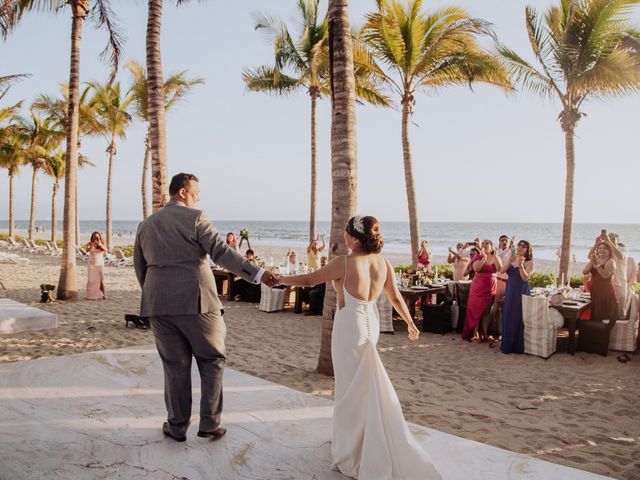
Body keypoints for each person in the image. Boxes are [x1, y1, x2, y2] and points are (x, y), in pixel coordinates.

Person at [279, 216, 441, 480]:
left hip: (350, 326)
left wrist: (280, 279)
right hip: (371, 323)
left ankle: (351, 450)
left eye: (346, 232)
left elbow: (309, 281)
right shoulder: (383, 262)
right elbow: (396, 297)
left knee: (348, 388)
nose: (344, 235)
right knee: (363, 386)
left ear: (354, 238)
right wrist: (411, 322)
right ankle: (362, 440)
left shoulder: (344, 262)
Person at [134, 173, 279, 442]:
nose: (198, 196)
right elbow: (222, 252)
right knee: (212, 361)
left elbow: (140, 268)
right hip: (197, 302)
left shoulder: (146, 225)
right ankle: (210, 423)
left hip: (158, 305)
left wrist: (157, 296)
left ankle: (177, 427)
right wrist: (257, 274)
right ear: (181, 192)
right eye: (195, 191)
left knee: (174, 367)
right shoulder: (196, 217)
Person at [462, 239, 501, 342]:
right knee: (476, 311)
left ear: (491, 246)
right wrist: (483, 257)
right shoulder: (478, 257)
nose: (484, 245)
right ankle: (475, 334)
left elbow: (500, 269)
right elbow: (476, 269)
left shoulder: (495, 257)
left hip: (490, 288)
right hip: (478, 288)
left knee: (486, 312)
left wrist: (496, 256)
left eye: (487, 243)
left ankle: (485, 333)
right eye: (483, 243)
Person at [500, 240, 534, 354]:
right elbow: (502, 270)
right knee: (509, 315)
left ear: (528, 250)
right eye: (519, 245)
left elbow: (525, 278)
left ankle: (519, 346)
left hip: (521, 291)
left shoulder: (530, 262)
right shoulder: (511, 258)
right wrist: (509, 260)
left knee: (519, 317)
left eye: (523, 247)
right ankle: (507, 345)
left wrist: (520, 265)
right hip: (510, 290)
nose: (520, 248)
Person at [583, 240, 617, 322]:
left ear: (609, 251)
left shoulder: (611, 262)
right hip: (595, 291)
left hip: (605, 293)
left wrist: (597, 265)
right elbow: (585, 271)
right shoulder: (595, 260)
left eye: (605, 248)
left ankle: (602, 334)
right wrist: (592, 261)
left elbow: (605, 276)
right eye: (600, 248)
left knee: (603, 317)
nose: (601, 250)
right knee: (594, 315)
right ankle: (593, 334)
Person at [85, 231, 107, 300]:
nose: (95, 237)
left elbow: (106, 250)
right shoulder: (90, 243)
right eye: (94, 236)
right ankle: (90, 295)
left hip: (99, 264)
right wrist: (91, 246)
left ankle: (103, 295)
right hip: (91, 264)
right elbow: (86, 250)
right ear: (92, 237)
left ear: (99, 237)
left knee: (101, 280)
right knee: (91, 280)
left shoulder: (101, 244)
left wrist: (100, 245)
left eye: (97, 236)